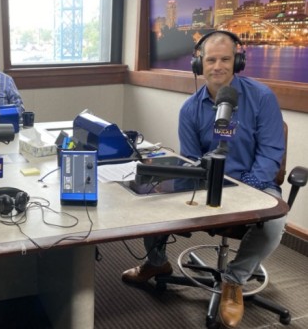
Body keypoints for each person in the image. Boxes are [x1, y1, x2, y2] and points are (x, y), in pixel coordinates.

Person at [121, 31, 285, 329]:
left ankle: (234, 280)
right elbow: (193, 160)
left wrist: (247, 190)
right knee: (152, 191)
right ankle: (156, 261)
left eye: (225, 59)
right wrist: (182, 180)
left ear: (238, 61)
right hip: (209, 181)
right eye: (211, 59)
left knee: (274, 222)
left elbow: (271, 152)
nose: (218, 66)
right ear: (199, 64)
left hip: (256, 183)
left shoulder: (262, 97)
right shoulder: (190, 109)